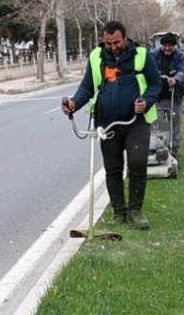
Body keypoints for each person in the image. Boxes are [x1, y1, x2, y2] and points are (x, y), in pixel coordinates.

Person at [62, 20, 162, 229]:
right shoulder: (97, 57)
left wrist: (146, 102)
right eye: (108, 43)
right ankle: (119, 212)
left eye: (116, 42)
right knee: (113, 168)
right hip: (106, 123)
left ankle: (136, 211)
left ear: (125, 38)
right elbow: (87, 88)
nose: (113, 47)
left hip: (136, 121)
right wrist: (74, 104)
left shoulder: (142, 56)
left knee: (137, 164)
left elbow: (155, 84)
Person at [150, 32, 184, 159]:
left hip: (175, 95)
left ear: (174, 46)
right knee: (159, 123)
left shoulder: (180, 56)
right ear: (161, 45)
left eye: (170, 46)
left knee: (175, 122)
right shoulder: (153, 56)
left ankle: (175, 148)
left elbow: (183, 72)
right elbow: (149, 71)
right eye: (165, 45)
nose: (167, 48)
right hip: (159, 96)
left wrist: (175, 79)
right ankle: (161, 148)